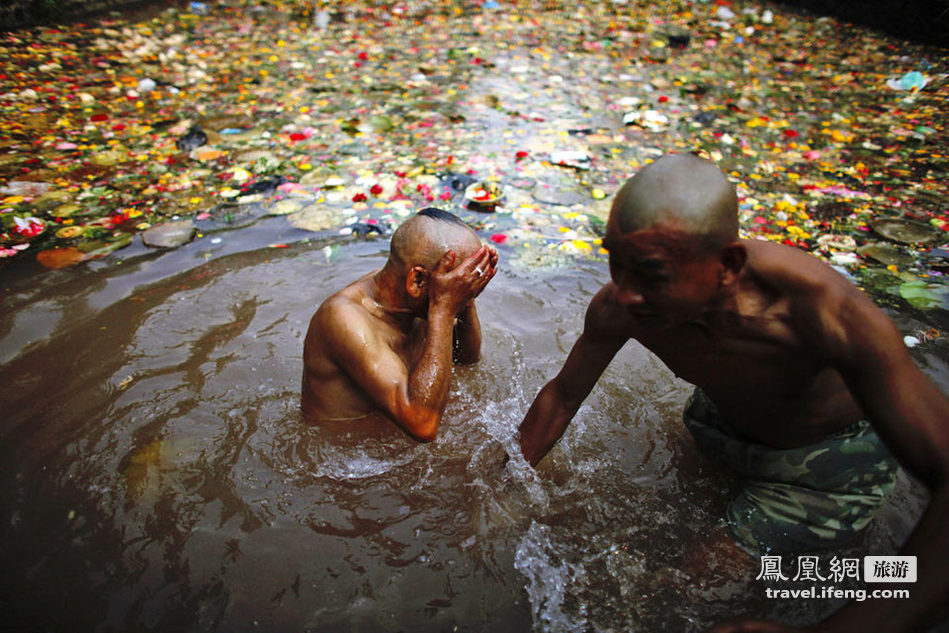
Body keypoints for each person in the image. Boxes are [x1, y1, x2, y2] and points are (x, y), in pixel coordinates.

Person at [517, 154, 949, 632]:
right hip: (720, 422)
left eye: (651, 274)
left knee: (685, 586)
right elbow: (562, 397)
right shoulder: (622, 305)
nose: (624, 293)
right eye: (615, 264)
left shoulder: (823, 312)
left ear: (728, 266)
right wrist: (502, 490)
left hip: (822, 467)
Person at [302, 207, 498, 440]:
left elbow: (467, 360)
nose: (464, 286)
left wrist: (466, 300)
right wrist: (444, 308)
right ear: (416, 280)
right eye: (459, 280)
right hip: (345, 456)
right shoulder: (344, 318)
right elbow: (422, 425)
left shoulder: (418, 294)